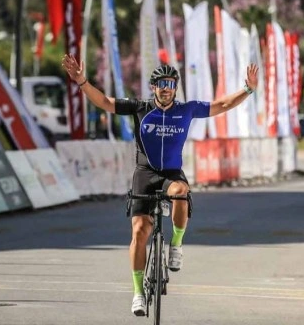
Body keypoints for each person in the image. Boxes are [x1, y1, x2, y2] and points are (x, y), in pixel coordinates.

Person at [61, 55, 259, 316]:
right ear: (153, 87)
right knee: (140, 231)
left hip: (171, 173)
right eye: (161, 84)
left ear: (175, 88)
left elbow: (221, 104)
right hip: (144, 173)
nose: (166, 88)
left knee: (180, 193)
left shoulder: (186, 110)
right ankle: (138, 293)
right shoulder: (140, 108)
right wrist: (82, 81)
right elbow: (105, 102)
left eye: (171, 83)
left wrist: (248, 89)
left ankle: (176, 246)